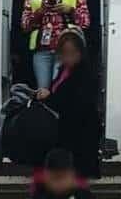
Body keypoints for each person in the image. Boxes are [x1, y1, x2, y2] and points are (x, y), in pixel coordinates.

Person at [21, 0, 90, 91]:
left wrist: (70, 10)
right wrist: (40, 11)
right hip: (42, 50)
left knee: (61, 92)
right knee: (43, 93)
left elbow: (85, 21)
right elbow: (25, 25)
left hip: (66, 49)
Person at [35, 26, 100, 179]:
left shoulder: (86, 74)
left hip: (81, 136)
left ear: (81, 53)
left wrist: (49, 97)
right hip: (67, 134)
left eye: (72, 53)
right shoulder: (63, 71)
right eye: (64, 54)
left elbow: (74, 102)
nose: (68, 58)